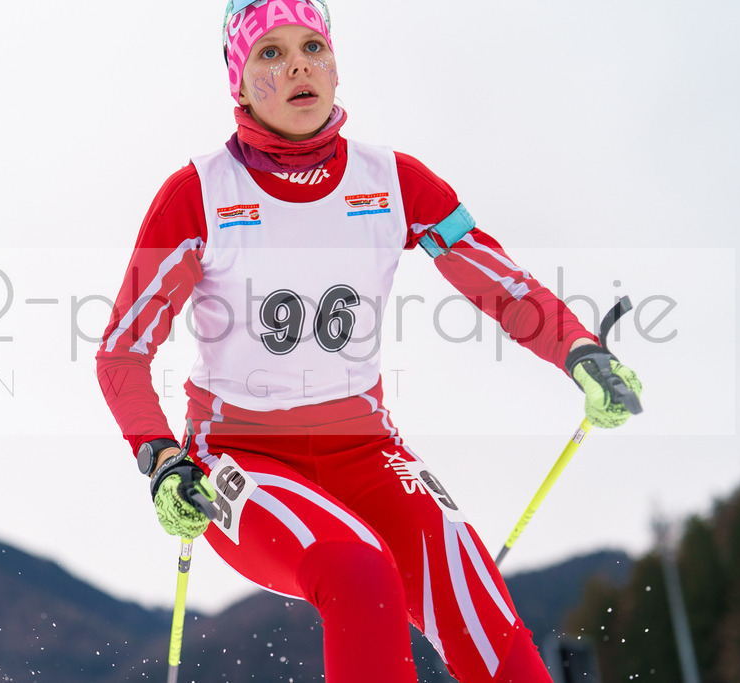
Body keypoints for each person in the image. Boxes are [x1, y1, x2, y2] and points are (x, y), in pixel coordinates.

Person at [96, 1, 643, 680]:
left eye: (312, 47)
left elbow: (501, 284)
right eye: (270, 53)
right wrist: (160, 458)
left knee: (474, 594)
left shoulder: (391, 181)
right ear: (239, 83)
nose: (298, 65)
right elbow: (122, 351)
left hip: (369, 450)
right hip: (240, 458)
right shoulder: (198, 194)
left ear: (334, 64)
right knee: (360, 571)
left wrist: (580, 351)